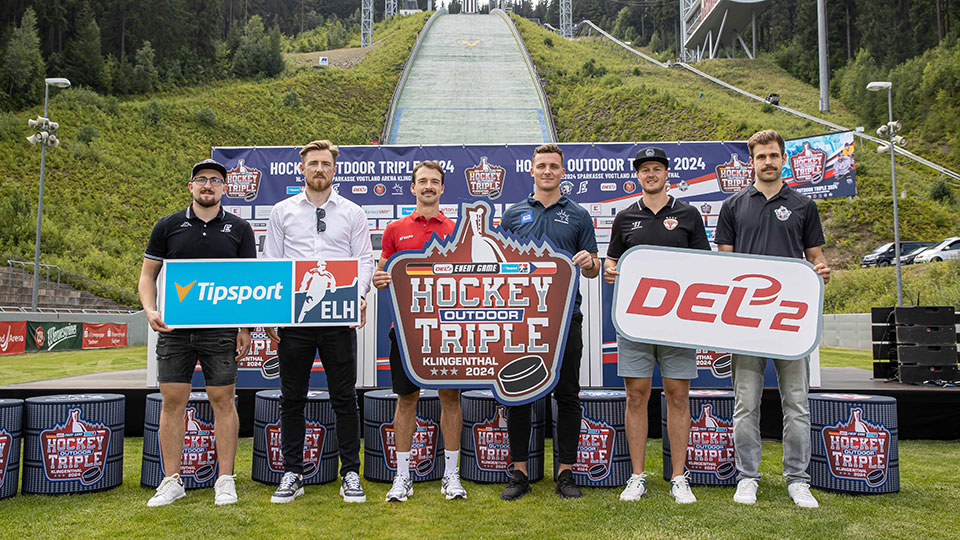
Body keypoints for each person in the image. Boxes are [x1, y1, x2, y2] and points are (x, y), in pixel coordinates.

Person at [714, 129, 831, 508]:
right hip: (746, 323)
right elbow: (724, 265)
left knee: (796, 403)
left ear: (783, 160)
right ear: (752, 161)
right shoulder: (733, 205)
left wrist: (821, 267)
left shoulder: (802, 205)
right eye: (761, 156)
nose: (767, 162)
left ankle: (798, 479)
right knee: (745, 404)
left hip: (788, 325)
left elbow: (815, 257)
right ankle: (747, 477)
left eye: (773, 156)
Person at [138, 158, 255, 507]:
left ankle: (225, 479)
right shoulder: (168, 225)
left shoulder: (239, 229)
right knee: (173, 403)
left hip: (220, 331)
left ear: (224, 189)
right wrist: (149, 309)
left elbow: (248, 284)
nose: (208, 185)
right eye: (201, 179)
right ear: (191, 186)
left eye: (215, 180)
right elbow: (148, 276)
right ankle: (172, 480)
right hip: (175, 329)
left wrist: (246, 327)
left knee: (223, 401)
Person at [263, 140, 374, 504]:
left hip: (337, 319)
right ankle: (292, 472)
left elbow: (364, 261)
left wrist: (358, 298)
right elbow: (273, 264)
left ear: (334, 169)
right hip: (296, 319)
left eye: (325, 164)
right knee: (291, 398)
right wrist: (271, 313)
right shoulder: (282, 211)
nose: (319, 169)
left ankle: (350, 473)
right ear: (302, 169)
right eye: (313, 164)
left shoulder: (353, 212)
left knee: (344, 397)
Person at [603, 147, 710, 504]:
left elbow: (706, 269)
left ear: (667, 174)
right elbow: (611, 263)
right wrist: (609, 271)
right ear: (638, 176)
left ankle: (679, 477)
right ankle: (637, 476)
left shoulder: (688, 214)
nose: (651, 174)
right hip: (635, 324)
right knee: (636, 395)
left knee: (678, 396)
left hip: (678, 322)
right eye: (645, 169)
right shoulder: (624, 218)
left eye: (656, 169)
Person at [498, 143, 600, 500]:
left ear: (562, 172)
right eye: (541, 165)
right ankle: (520, 473)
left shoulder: (578, 216)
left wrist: (590, 263)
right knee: (518, 396)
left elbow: (594, 269)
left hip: (566, 318)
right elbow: (499, 268)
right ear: (532, 170)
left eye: (553, 166)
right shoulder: (512, 215)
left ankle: (565, 474)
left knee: (567, 395)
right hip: (522, 321)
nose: (547, 171)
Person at [372, 161, 467, 502]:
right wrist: (378, 278)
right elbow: (382, 273)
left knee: (450, 397)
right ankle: (402, 477)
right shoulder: (395, 229)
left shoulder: (457, 229)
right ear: (412, 188)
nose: (428, 186)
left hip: (449, 330)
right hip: (407, 330)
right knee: (406, 399)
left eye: (434, 182)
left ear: (443, 189)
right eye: (422, 181)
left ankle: (451, 476)